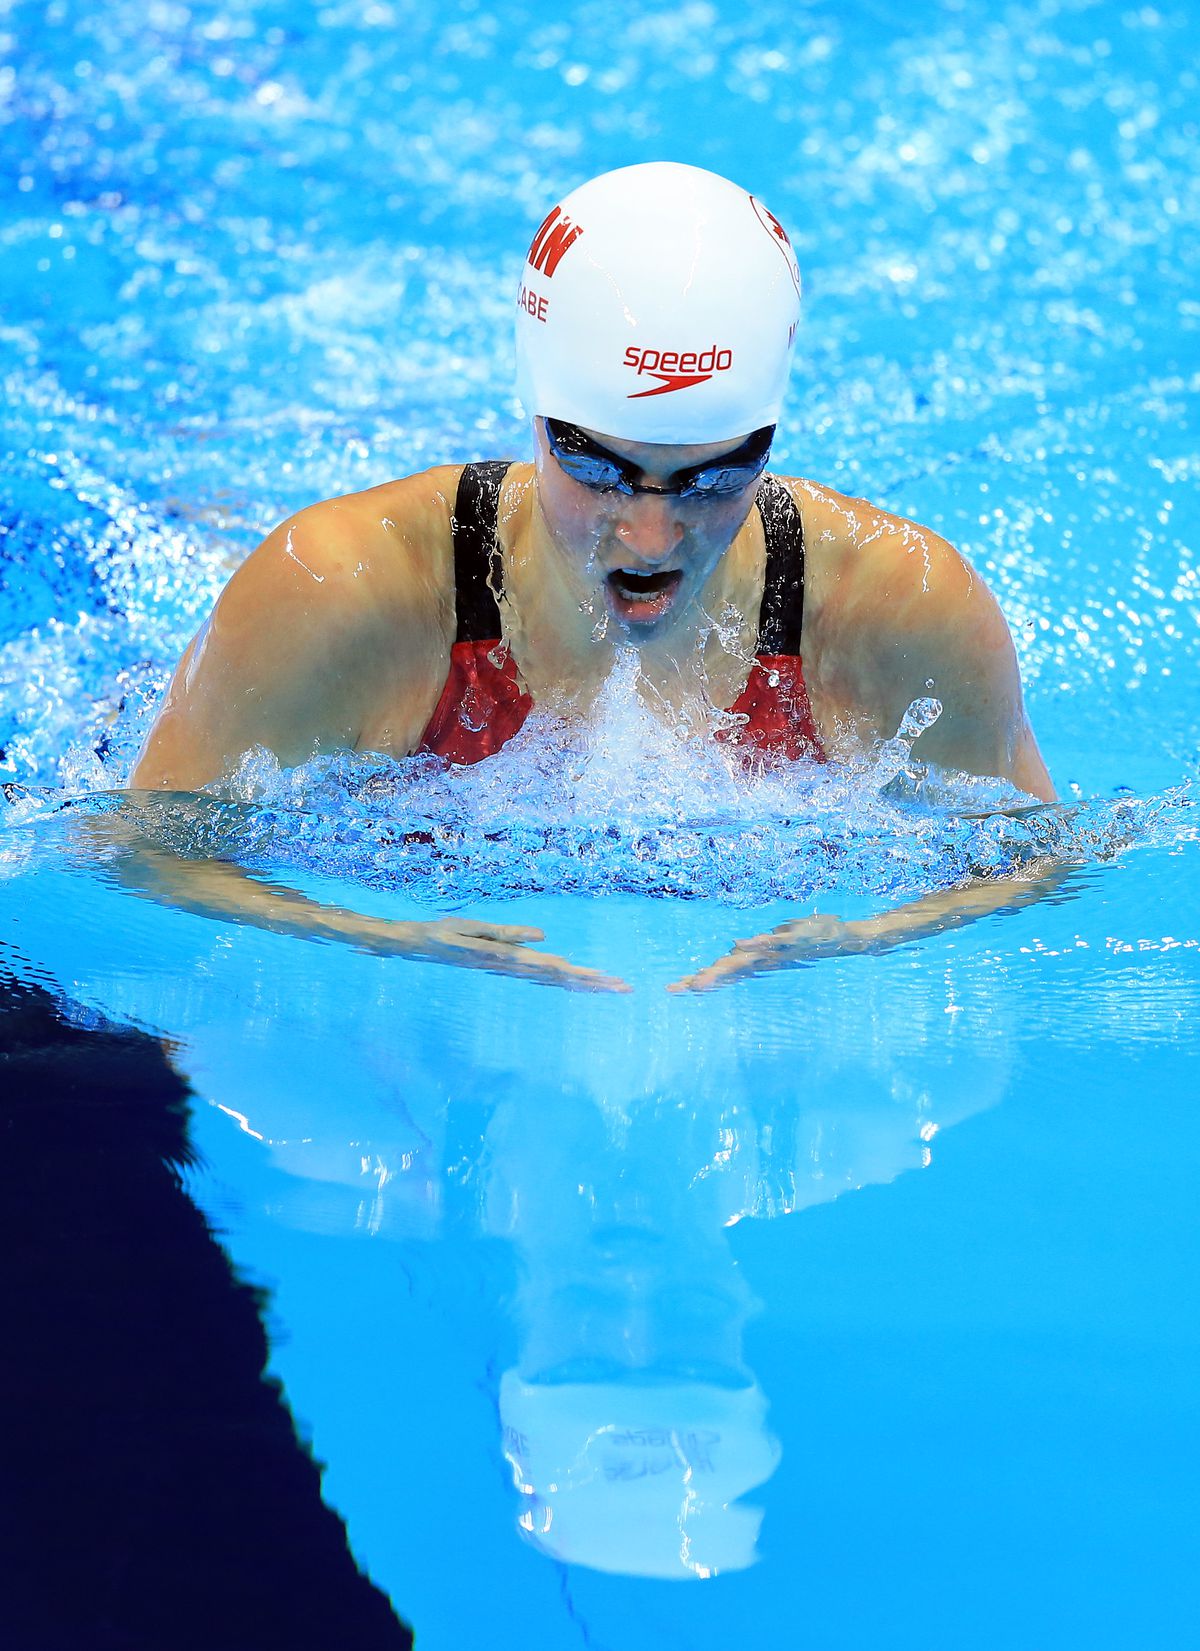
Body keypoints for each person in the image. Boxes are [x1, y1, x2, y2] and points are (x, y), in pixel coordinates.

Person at [127, 162, 1056, 990]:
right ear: (533, 410)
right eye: (600, 467)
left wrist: (872, 937)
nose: (653, 532)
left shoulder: (899, 607)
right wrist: (385, 940)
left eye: (714, 474)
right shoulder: (344, 594)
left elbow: (1037, 858)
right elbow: (140, 848)